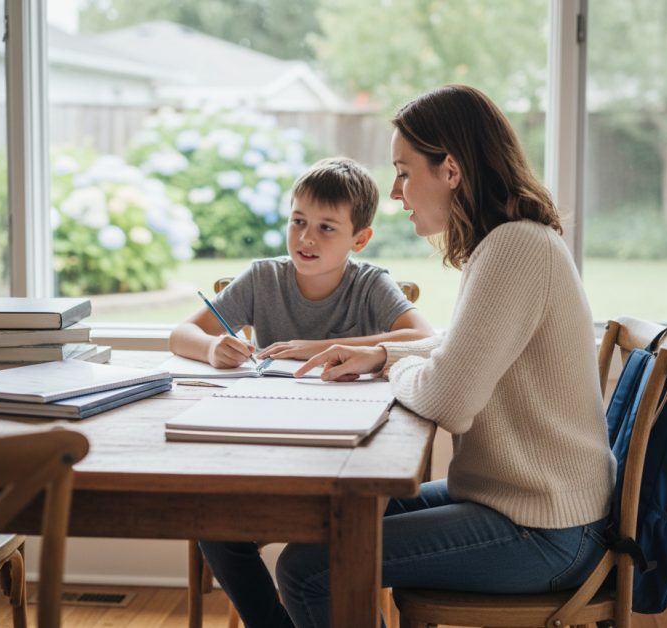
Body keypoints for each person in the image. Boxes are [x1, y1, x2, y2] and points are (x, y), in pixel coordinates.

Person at [202, 85, 616, 628]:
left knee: (311, 568)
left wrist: (393, 364)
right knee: (301, 532)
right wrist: (376, 353)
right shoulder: (509, 243)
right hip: (513, 500)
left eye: (403, 170)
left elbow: (450, 399)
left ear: (451, 170)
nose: (396, 191)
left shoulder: (515, 248)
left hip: (543, 529)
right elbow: (455, 347)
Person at [169, 157, 434, 367]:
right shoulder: (263, 278)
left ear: (360, 239)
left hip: (347, 409)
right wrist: (211, 349)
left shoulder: (370, 285)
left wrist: (314, 348)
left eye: (326, 228)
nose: (306, 238)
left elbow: (424, 337)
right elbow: (181, 334)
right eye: (298, 222)